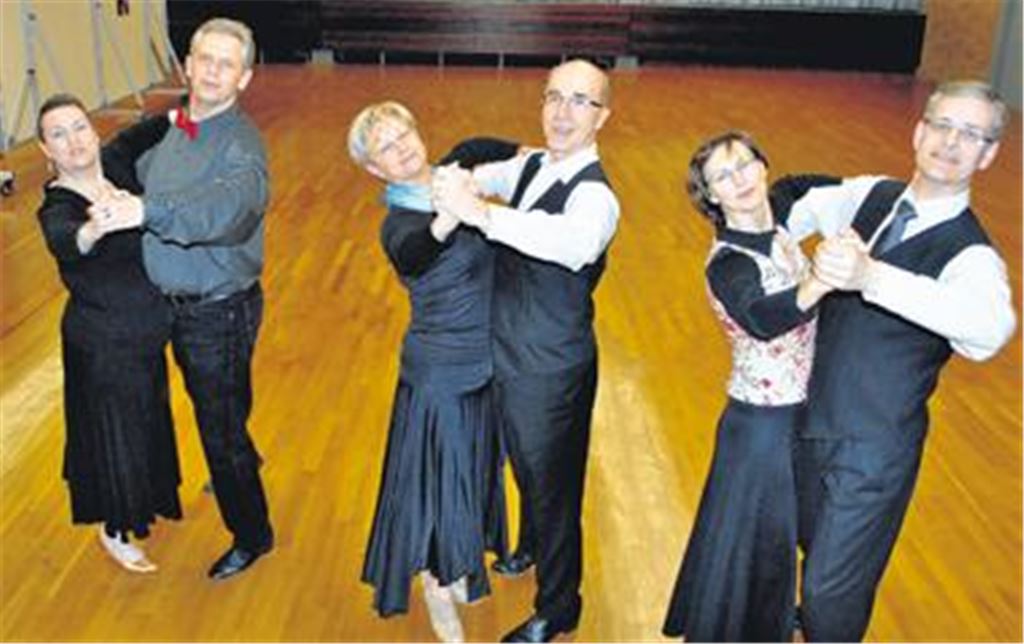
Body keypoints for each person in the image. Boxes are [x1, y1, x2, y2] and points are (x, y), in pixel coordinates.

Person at [786, 80, 1016, 641]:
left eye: (971, 134)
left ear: (988, 154)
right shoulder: (871, 195)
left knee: (829, 592)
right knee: (808, 553)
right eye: (942, 125)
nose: (951, 143)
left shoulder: (972, 256)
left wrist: (872, 277)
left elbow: (990, 331)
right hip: (806, 419)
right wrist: (775, 257)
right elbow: (801, 206)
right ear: (919, 131)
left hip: (874, 451)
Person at [433, 58, 620, 643]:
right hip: (511, 352)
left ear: (602, 117)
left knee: (552, 488)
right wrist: (458, 181)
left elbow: (568, 243)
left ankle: (559, 607)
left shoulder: (596, 197)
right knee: (528, 467)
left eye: (581, 101)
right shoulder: (535, 164)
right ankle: (531, 545)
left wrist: (481, 214)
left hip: (549, 368)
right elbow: (485, 174)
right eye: (554, 97)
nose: (563, 112)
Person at [92, 17, 274, 581]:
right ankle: (239, 458)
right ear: (188, 65)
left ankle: (252, 534)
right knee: (220, 408)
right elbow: (128, 166)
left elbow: (227, 212)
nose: (213, 72)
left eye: (227, 64)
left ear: (244, 78)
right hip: (164, 302)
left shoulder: (242, 146)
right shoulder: (174, 128)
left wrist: (148, 211)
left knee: (219, 431)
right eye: (205, 59)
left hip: (216, 311)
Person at [347, 101, 519, 642]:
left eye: (404, 134)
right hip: (440, 372)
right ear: (374, 169)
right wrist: (452, 212)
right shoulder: (399, 223)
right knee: (437, 485)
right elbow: (417, 253)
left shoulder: (451, 173)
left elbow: (483, 146)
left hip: (488, 360)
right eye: (385, 147)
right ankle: (434, 586)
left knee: (472, 471)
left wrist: (539, 156)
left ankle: (459, 562)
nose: (401, 148)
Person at [661, 131, 835, 641]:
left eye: (745, 165)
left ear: (763, 167)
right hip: (761, 428)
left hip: (801, 415)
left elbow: (806, 184)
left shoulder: (778, 211)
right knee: (762, 547)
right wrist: (819, 281)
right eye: (722, 176)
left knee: (786, 535)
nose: (738, 180)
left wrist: (885, 194)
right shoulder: (729, 264)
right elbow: (760, 317)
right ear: (710, 196)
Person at [35, 94, 180, 573]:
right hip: (102, 344)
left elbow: (153, 127)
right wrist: (94, 228)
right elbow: (66, 239)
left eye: (79, 127)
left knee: (144, 421)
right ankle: (115, 528)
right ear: (46, 150)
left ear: (94, 131)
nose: (74, 141)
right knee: (115, 435)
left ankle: (145, 500)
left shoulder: (114, 162)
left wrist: (192, 112)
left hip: (145, 332)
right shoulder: (58, 205)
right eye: (59, 135)